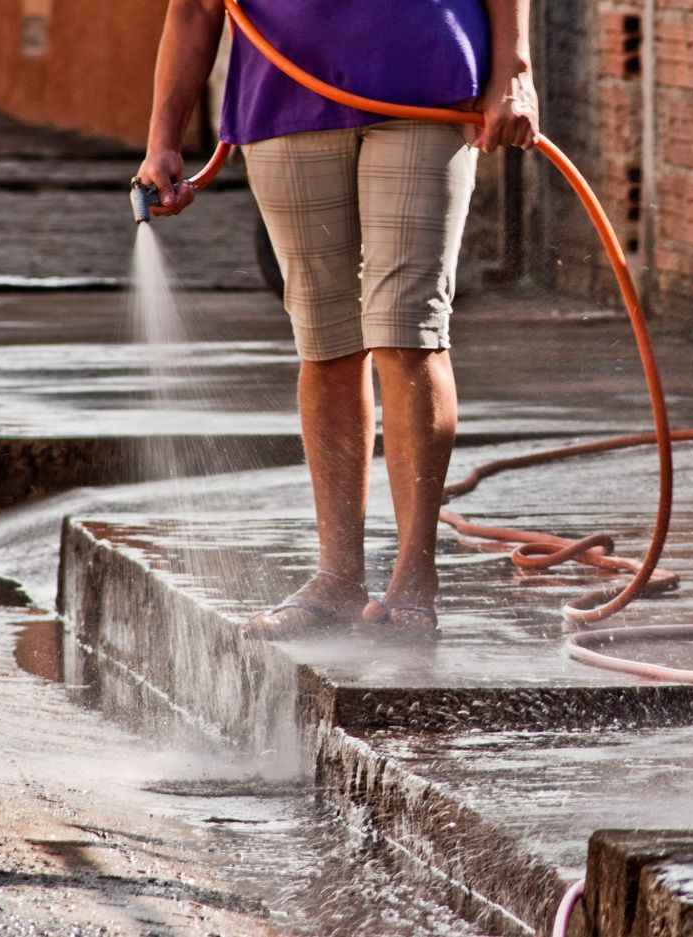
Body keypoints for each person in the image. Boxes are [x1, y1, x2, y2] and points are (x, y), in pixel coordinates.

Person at [137, 0, 539, 635]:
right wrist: (162, 139)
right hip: (285, 98)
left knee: (408, 331)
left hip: (427, 91)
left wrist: (512, 71)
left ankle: (414, 580)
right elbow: (194, 8)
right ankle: (337, 580)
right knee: (325, 342)